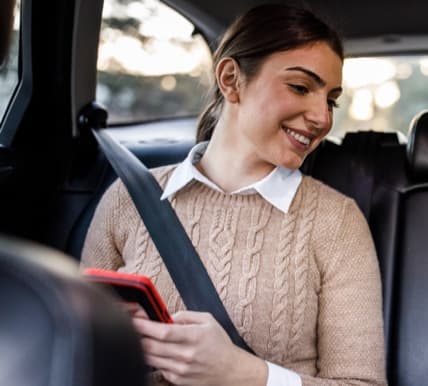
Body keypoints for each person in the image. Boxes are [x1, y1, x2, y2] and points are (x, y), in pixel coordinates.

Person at [81, 4, 386, 386]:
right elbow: (74, 353)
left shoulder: (336, 222)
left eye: (331, 100)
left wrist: (242, 374)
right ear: (231, 79)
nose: (323, 118)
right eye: (300, 87)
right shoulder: (126, 200)